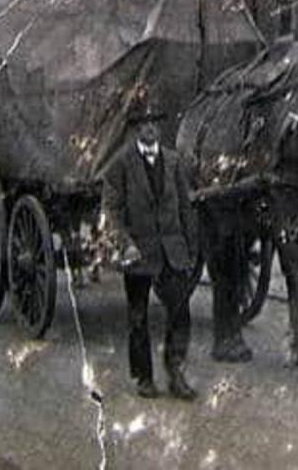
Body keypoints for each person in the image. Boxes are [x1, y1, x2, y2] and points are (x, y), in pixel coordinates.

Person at [101, 104, 198, 400]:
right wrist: (125, 243)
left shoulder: (173, 161)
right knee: (138, 317)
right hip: (140, 253)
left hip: (172, 251)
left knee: (180, 313)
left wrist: (191, 248)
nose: (149, 128)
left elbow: (185, 206)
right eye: (143, 123)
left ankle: (176, 372)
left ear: (160, 127)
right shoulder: (120, 165)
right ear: (135, 130)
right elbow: (111, 211)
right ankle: (144, 377)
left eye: (154, 122)